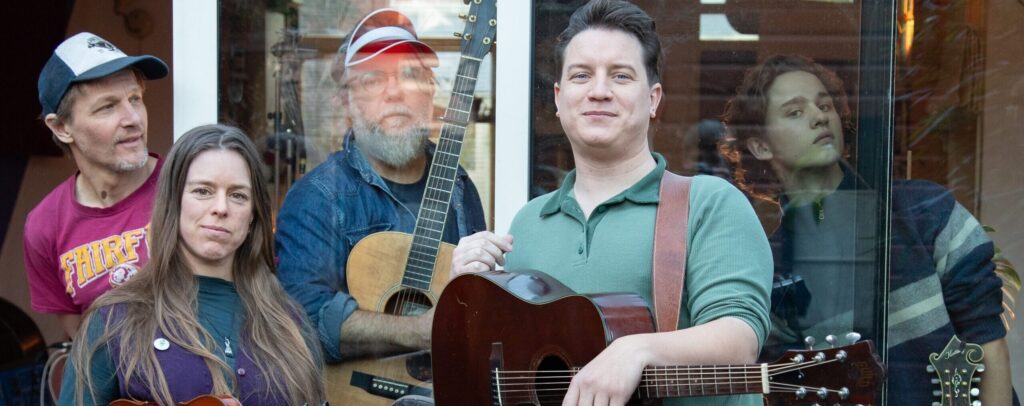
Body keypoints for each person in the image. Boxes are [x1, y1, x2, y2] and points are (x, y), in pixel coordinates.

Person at [452, 1, 772, 405]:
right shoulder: (528, 223)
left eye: (620, 75)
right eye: (581, 75)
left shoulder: (709, 204)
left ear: (653, 99)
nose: (599, 91)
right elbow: (506, 369)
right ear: (559, 98)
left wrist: (634, 351)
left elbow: (739, 340)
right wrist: (467, 295)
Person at [722, 54, 1017, 405]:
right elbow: (787, 390)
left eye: (825, 105)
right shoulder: (772, 269)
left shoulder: (925, 209)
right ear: (760, 146)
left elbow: (988, 344)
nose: (820, 116)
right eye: (795, 112)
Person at [274, 7, 486, 367]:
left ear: (430, 90)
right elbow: (302, 320)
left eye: (410, 75)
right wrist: (420, 330)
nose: (395, 92)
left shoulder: (459, 186)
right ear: (347, 101)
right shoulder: (318, 197)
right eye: (372, 80)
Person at [58, 124, 325, 406]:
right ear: (174, 202)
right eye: (203, 191)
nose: (221, 208)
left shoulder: (291, 324)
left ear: (252, 216)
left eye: (238, 195)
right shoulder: (113, 321)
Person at [25, 32, 168, 338]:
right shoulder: (44, 226)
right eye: (108, 107)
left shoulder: (188, 188)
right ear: (61, 127)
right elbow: (84, 342)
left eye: (135, 99)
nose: (133, 118)